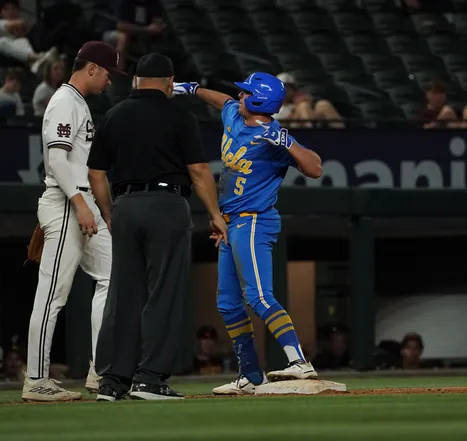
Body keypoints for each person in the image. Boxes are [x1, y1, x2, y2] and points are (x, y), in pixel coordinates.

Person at [87, 53, 227, 402]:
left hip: (125, 206)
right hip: (166, 206)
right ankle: (149, 379)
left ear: (135, 81)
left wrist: (108, 212)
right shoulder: (179, 114)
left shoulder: (113, 115)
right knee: (162, 292)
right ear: (169, 82)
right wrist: (215, 213)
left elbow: (95, 174)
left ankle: (112, 381)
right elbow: (198, 171)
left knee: (122, 293)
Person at [173, 72, 323, 395]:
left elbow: (315, 168)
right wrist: (194, 89)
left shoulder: (273, 136)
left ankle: (299, 361)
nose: (239, 96)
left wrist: (289, 143)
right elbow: (223, 101)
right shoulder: (235, 115)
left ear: (258, 100)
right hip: (231, 222)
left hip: (255, 221)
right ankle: (252, 376)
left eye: (246, 93)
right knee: (227, 302)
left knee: (258, 295)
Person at [21, 41, 123, 402]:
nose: (110, 81)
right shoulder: (65, 100)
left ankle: (100, 370)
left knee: (113, 276)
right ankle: (36, 379)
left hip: (82, 201)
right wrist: (79, 204)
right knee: (52, 295)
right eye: (108, 73)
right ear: (92, 68)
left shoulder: (78, 102)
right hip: (68, 201)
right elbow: (58, 160)